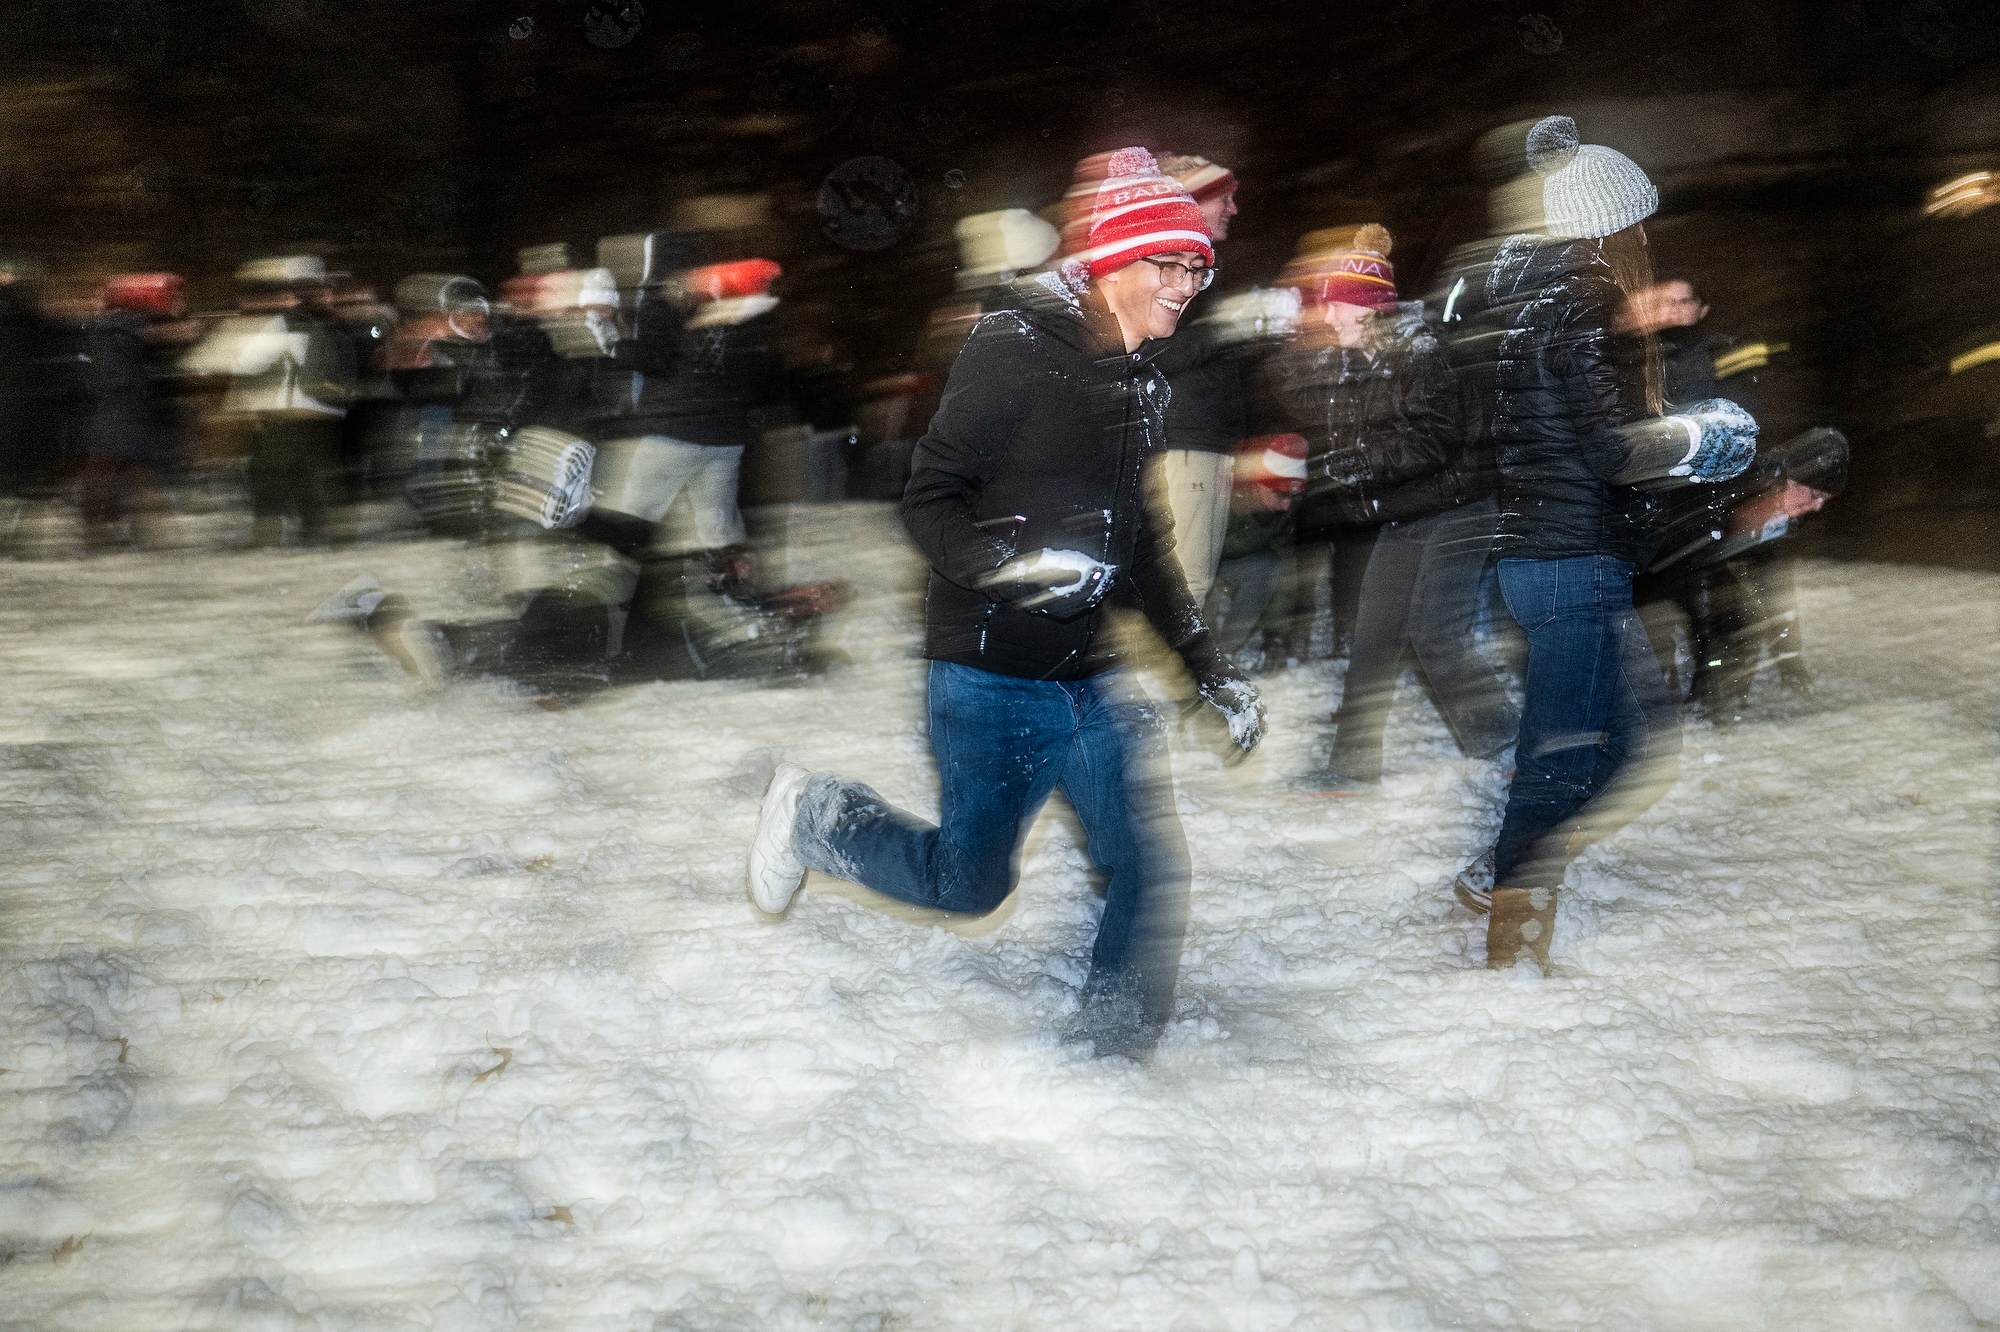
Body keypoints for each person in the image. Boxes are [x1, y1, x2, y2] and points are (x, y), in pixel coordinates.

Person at [746, 148, 1265, 1059]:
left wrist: (1206, 669)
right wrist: (1005, 566)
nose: (1189, 282)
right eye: (1169, 263)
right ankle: (820, 818)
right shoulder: (1014, 349)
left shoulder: (1142, 378)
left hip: (1093, 673)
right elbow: (928, 499)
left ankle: (1112, 1054)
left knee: (1147, 866)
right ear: (1112, 263)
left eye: (1198, 265)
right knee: (971, 886)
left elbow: (1141, 542)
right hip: (987, 673)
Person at [1471, 117, 1698, 970]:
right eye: (1639, 221)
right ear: (1617, 224)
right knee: (1565, 760)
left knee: (1632, 741)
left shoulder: (1541, 305)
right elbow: (1611, 449)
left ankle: (1497, 878)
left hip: (1557, 555)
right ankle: (1514, 946)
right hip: (1567, 559)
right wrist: (1696, 440)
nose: (1646, 236)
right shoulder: (1586, 303)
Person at [1274, 226, 1518, 791]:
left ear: (1370, 309)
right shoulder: (1356, 361)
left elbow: (1435, 440)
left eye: (1339, 308)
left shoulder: (1425, 356)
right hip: (1405, 512)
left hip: (1461, 508)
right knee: (1374, 638)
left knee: (1438, 634)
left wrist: (1357, 462)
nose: (1330, 319)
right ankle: (1351, 767)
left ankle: (1506, 744)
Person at [181, 256, 354, 546]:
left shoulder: (272, 325)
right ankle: (322, 549)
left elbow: (228, 367)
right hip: (317, 419)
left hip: (281, 420)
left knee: (270, 491)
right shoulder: (319, 326)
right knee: (310, 490)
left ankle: (270, 550)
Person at [1147, 153, 1245, 609]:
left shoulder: (1196, 262)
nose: (1233, 208)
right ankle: (1150, 681)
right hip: (1181, 444)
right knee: (1181, 592)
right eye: (1223, 198)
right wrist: (1226, 330)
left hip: (1203, 442)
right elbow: (1142, 351)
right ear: (1194, 201)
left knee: (1189, 587)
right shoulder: (1166, 259)